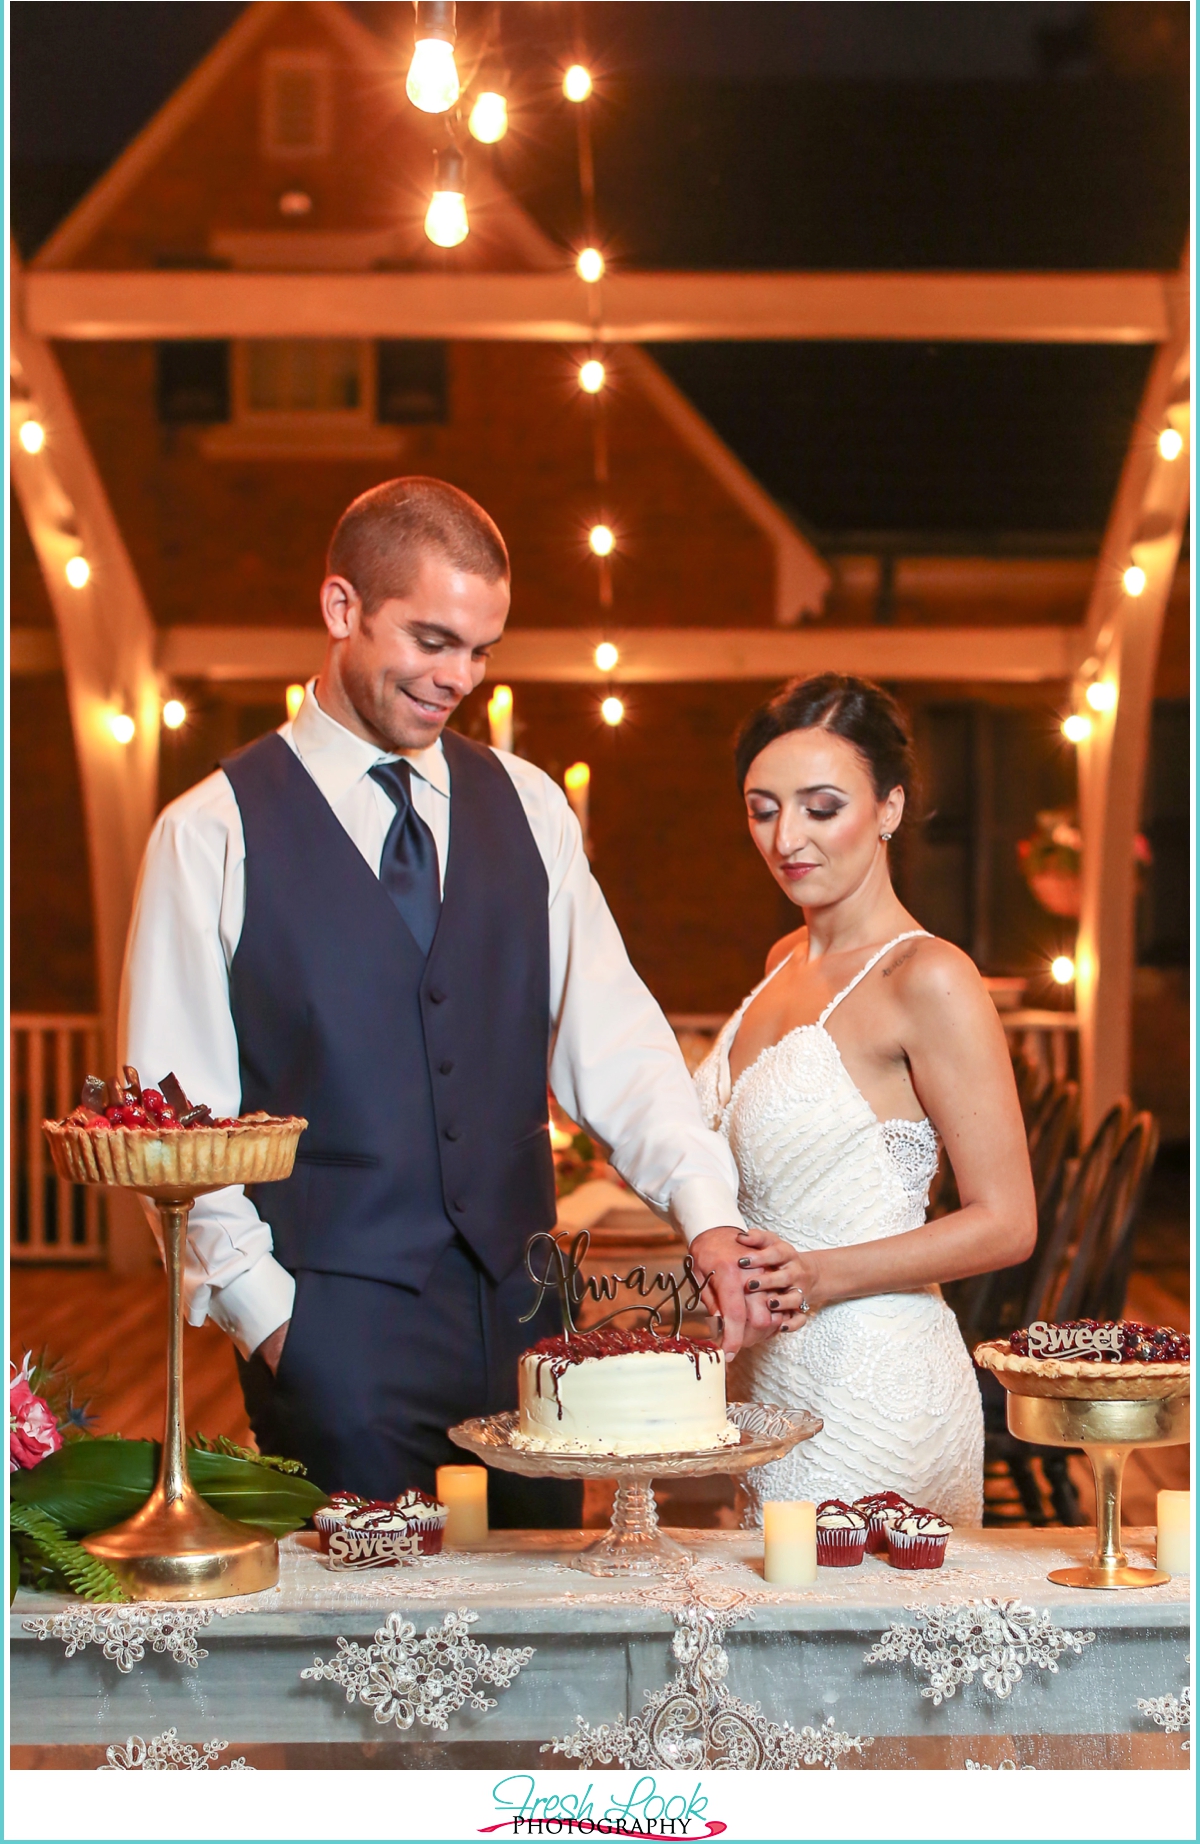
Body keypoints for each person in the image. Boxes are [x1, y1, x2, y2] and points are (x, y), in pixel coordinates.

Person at [120, 476, 775, 1523]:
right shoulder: (210, 832)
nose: (459, 677)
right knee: (357, 1668)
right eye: (432, 640)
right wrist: (276, 1320)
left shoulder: (531, 808)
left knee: (540, 1652)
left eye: (481, 650)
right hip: (331, 1336)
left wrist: (708, 1216)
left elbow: (617, 1044)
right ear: (343, 608)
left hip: (528, 1335)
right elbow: (175, 1127)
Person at [693, 674, 1037, 1525]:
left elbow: (1008, 1220)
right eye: (762, 808)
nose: (787, 837)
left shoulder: (930, 977)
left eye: (820, 806)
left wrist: (820, 1273)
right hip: (768, 1381)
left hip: (877, 1384)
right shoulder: (784, 957)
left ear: (888, 808)